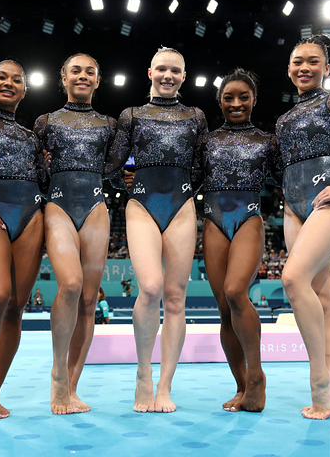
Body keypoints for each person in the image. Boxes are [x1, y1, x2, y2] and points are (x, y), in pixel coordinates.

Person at [105, 47, 207, 413]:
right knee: (150, 287)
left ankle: (165, 385)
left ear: (183, 75)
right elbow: (111, 165)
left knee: (176, 298)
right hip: (141, 205)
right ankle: (143, 374)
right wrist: (125, 181)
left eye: (175, 71)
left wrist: (189, 193)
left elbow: (202, 166)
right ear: (149, 72)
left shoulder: (195, 116)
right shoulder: (131, 115)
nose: (168, 75)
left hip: (181, 207)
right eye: (161, 69)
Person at [32, 53, 116, 415]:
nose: (83, 76)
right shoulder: (45, 122)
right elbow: (31, 169)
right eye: (76, 71)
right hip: (59, 205)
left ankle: (72, 382)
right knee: (69, 284)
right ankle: (56, 373)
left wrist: (127, 176)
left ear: (98, 81)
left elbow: (116, 167)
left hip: (96, 208)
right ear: (62, 78)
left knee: (88, 299)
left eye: (90, 72)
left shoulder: (111, 124)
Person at [201, 68, 275, 412]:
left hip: (248, 217)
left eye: (243, 97)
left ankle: (257, 376)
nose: (235, 103)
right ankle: (242, 386)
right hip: (214, 220)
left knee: (235, 292)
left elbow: (288, 176)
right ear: (220, 101)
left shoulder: (266, 140)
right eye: (228, 97)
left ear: (254, 100)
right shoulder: (208, 141)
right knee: (222, 308)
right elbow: (183, 174)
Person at [275, 34, 330, 419]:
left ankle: (320, 383)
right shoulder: (283, 119)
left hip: (326, 199)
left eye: (313, 61)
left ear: (327, 68)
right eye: (298, 62)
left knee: (293, 279)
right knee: (322, 294)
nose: (304, 68)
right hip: (294, 206)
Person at [0, 60, 46, 421]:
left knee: (14, 309)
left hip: (30, 217)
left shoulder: (30, 137)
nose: (9, 83)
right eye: (2, 77)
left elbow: (43, 179)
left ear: (24, 90)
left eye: (16, 80)